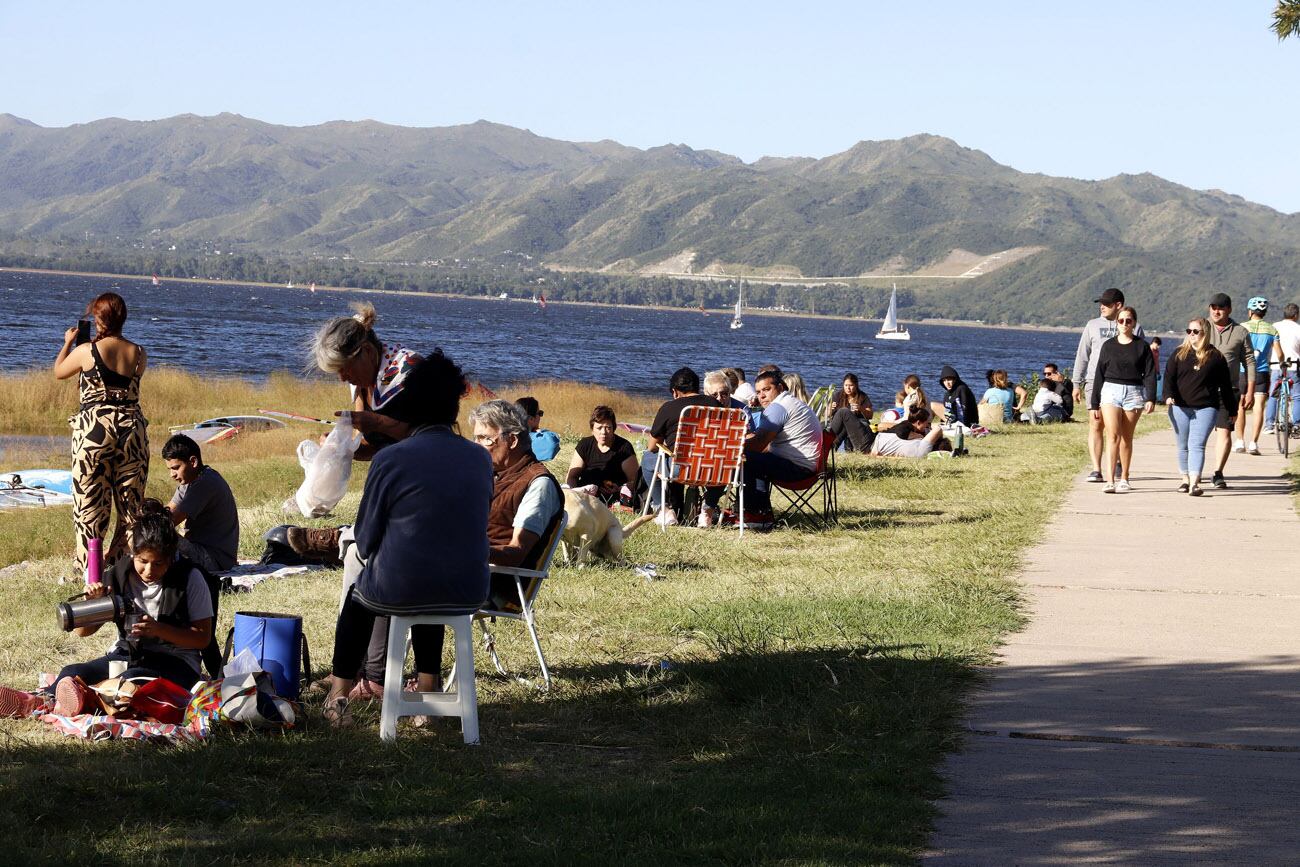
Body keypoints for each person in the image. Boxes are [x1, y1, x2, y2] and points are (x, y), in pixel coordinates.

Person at [322, 351, 494, 727]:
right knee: (430, 583)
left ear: (410, 405)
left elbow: (365, 541)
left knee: (361, 602)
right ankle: (428, 694)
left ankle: (337, 697)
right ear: (453, 407)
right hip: (469, 587)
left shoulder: (392, 459)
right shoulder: (480, 459)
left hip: (404, 585)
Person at [49, 504, 214, 716]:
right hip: (126, 654)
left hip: (176, 663)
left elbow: (202, 639)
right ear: (132, 552)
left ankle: (87, 700)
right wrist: (95, 604)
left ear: (172, 557)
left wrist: (158, 629)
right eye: (143, 561)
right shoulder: (117, 577)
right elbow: (83, 632)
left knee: (130, 682)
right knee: (71, 673)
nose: (149, 570)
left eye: (158, 564)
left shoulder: (190, 578)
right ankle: (44, 701)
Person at [53, 291, 150, 575]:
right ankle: (122, 569)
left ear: (99, 319)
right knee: (131, 509)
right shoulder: (140, 353)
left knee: (90, 507)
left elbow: (59, 371)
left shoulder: (86, 351)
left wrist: (68, 343)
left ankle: (91, 574)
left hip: (94, 430)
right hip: (132, 430)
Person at [471, 400, 565, 609]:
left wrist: (466, 550)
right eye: (475, 438)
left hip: (497, 585)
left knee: (404, 586)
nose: (475, 446)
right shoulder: (490, 475)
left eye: (484, 439)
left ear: (511, 440)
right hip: (468, 572)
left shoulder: (539, 483)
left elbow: (516, 552)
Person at [310, 302, 423, 461]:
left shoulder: (410, 371)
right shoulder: (360, 381)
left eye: (345, 368)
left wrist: (378, 423)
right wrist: (340, 447)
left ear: (368, 351)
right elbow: (373, 447)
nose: (342, 379)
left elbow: (429, 438)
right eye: (338, 372)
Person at [1073, 288, 1145, 482]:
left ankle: (1118, 462)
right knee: (1096, 423)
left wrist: (1144, 390)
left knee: (1119, 428)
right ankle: (1097, 469)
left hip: (1124, 384)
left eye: (1106, 303)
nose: (1101, 307)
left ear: (1118, 305)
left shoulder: (1134, 326)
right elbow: (1083, 355)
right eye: (1100, 303)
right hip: (1094, 381)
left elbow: (1141, 357)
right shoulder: (1092, 325)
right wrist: (1076, 383)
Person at [739, 369, 822, 528]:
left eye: (766, 389)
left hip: (798, 469)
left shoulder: (778, 407)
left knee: (744, 457)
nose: (761, 395)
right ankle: (759, 512)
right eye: (758, 392)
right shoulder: (791, 402)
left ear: (781, 387)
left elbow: (758, 445)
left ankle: (756, 515)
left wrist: (733, 443)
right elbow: (764, 445)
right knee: (753, 457)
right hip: (808, 465)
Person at [1164, 317, 1236, 496]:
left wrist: (1232, 410)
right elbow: (1168, 378)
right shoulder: (1178, 354)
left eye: (1196, 332)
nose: (1191, 335)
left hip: (1206, 407)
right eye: (1189, 331)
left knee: (1197, 445)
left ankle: (1195, 483)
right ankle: (1185, 479)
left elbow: (1226, 386)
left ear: (1205, 333)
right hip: (1180, 407)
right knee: (1183, 445)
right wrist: (1168, 396)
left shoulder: (1216, 357)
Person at [1089, 306, 1157, 493]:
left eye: (1129, 320)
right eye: (1121, 320)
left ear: (1134, 323)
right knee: (1112, 435)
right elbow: (1099, 375)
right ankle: (1110, 480)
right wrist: (1094, 403)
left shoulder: (1141, 346)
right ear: (1116, 323)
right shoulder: (1108, 346)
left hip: (1134, 392)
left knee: (1126, 438)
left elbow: (1150, 374)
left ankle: (1124, 477)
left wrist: (1150, 397)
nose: (1125, 324)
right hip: (1110, 391)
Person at [642, 367, 718, 525]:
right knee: (726, 464)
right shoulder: (716, 405)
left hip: (681, 469)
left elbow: (652, 447)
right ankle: (708, 510)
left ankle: (663, 509)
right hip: (715, 470)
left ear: (675, 392)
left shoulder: (669, 407)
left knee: (648, 458)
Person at [161, 434, 239, 573]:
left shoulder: (205, 483)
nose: (172, 474)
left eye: (176, 468)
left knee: (159, 534)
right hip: (201, 551)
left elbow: (169, 522)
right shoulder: (190, 480)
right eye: (170, 469)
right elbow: (168, 511)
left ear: (193, 462)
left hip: (215, 560)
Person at [1205, 293, 1256, 489]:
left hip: (1229, 389)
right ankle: (1193, 471)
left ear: (1229, 309)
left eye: (1221, 308)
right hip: (1201, 389)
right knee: (1198, 434)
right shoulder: (1201, 326)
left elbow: (1249, 361)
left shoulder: (1241, 332)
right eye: (1213, 307)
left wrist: (1250, 390)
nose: (1216, 311)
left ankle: (1218, 472)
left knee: (1224, 432)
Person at [1233, 297, 1280, 456]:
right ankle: (1254, 443)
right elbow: (1279, 354)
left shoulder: (1241, 327)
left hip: (1242, 372)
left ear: (1250, 311)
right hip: (1262, 372)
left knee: (1240, 406)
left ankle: (1239, 441)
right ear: (1264, 312)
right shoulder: (1272, 330)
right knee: (1259, 407)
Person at [565, 405, 639, 505]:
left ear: (614, 428)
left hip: (614, 498)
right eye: (599, 428)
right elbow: (571, 477)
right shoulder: (584, 445)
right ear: (592, 429)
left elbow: (635, 481)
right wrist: (573, 494)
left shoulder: (624, 447)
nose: (603, 432)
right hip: (585, 496)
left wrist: (620, 488)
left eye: (608, 428)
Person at [1265, 303, 1300, 434]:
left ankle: (1269, 424)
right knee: (1297, 397)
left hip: (1276, 366)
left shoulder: (1274, 326)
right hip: (1293, 366)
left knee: (1273, 395)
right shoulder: (1298, 329)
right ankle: (1297, 424)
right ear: (1296, 315)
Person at [826, 372, 875, 453]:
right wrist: (829, 409)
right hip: (839, 426)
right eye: (846, 385)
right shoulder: (837, 395)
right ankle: (833, 447)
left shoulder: (862, 396)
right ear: (843, 385)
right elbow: (827, 415)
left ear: (856, 385)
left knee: (846, 418)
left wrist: (861, 409)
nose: (848, 388)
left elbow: (870, 415)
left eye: (851, 385)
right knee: (843, 420)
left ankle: (833, 446)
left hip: (857, 425)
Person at [871, 406, 946, 458]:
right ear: (918, 423)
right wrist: (918, 436)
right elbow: (901, 433)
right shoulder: (906, 425)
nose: (927, 425)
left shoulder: (915, 427)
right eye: (926, 423)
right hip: (878, 440)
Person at [515, 396, 561, 462]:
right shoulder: (534, 439)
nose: (540, 417)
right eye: (540, 413)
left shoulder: (509, 436)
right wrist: (540, 431)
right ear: (531, 419)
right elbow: (553, 443)